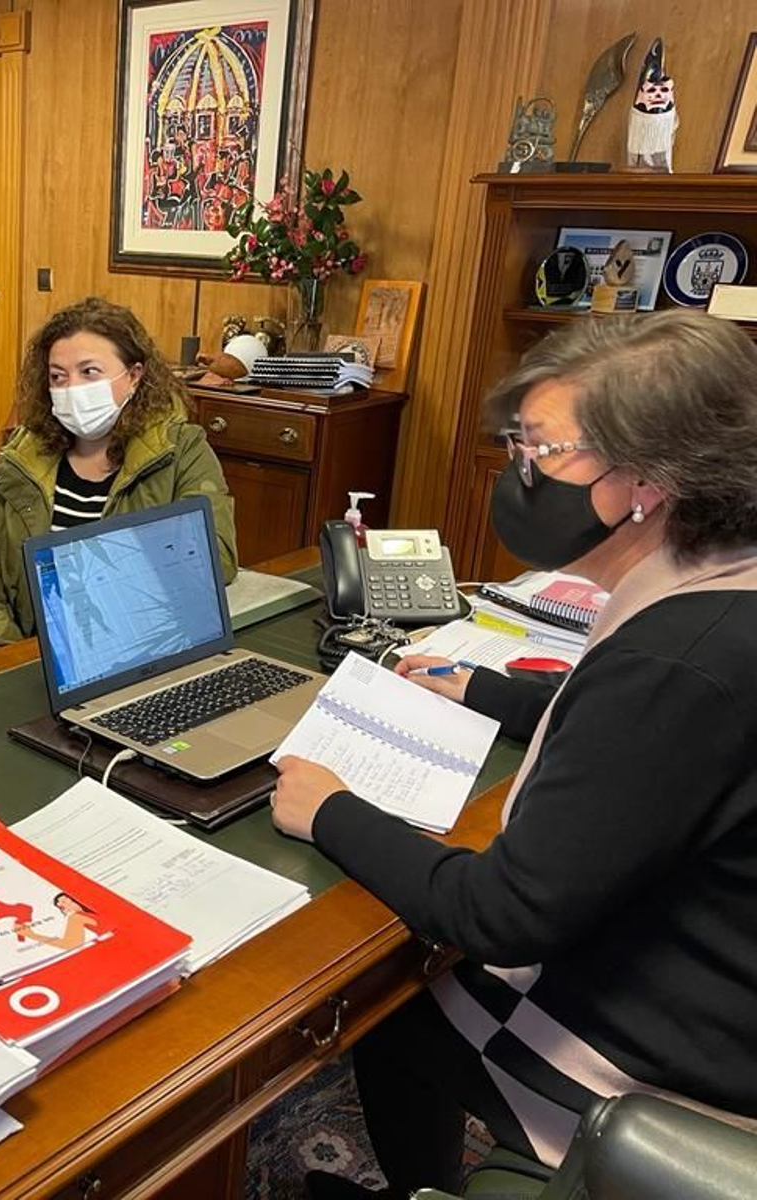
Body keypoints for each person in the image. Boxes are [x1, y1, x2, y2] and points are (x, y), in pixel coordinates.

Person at [270, 311, 757, 1198]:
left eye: (545, 451)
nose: (521, 472)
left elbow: (502, 915)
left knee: (401, 1013)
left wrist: (328, 808)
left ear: (648, 479)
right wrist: (488, 691)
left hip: (681, 1060)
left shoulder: (679, 662)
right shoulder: (726, 583)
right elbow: (658, 749)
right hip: (726, 974)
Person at [0, 297, 238, 678]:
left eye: (89, 372)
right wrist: (3, 650)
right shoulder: (25, 451)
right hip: (6, 633)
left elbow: (214, 560)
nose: (72, 388)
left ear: (134, 375)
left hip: (128, 647)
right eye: (58, 376)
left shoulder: (181, 450)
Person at [15, 891, 102, 951]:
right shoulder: (85, 914)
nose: (63, 908)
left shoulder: (76, 917)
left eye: (64, 902)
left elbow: (70, 944)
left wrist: (31, 935)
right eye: (60, 907)